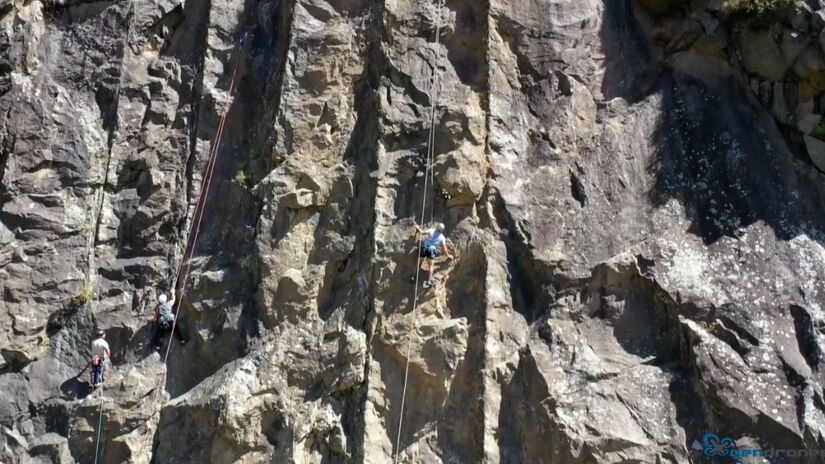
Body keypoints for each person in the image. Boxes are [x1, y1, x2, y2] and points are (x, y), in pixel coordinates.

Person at [413, 222, 454, 288]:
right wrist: (448, 256)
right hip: (431, 249)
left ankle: (413, 276)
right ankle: (429, 281)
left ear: (437, 227)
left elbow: (422, 232)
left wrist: (417, 227)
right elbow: (444, 248)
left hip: (424, 246)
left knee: (419, 262)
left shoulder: (431, 230)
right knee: (431, 265)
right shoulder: (442, 237)